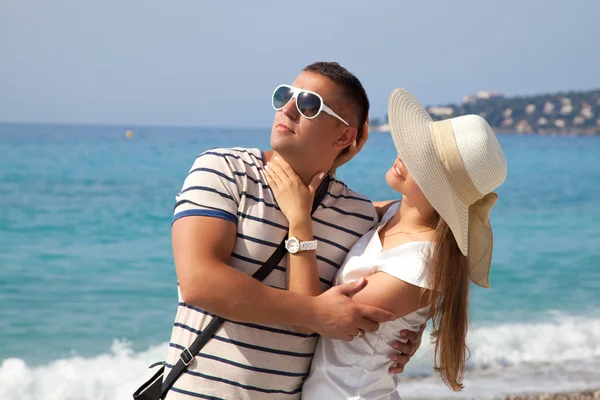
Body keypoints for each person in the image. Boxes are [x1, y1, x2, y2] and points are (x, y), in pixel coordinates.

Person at [163, 63, 424, 399]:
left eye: (309, 104)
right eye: (285, 95)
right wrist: (314, 313)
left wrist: (400, 335)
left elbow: (422, 240)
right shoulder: (224, 170)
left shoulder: (359, 216)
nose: (287, 109)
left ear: (344, 135)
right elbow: (199, 282)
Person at [264, 88, 508, 399]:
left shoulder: (420, 262)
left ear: (441, 189)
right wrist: (338, 155)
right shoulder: (392, 213)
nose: (403, 155)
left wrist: (299, 222)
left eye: (421, 162)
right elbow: (338, 205)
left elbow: (311, 318)